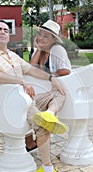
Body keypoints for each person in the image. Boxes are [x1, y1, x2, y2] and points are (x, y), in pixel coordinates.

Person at [0, 19, 67, 172]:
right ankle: (47, 170)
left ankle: (49, 112)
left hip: (27, 100)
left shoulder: (13, 56)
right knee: (44, 126)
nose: (3, 31)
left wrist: (51, 78)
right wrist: (20, 81)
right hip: (12, 105)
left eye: (6, 29)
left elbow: (31, 69)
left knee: (60, 92)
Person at [25, 20, 72, 151]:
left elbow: (66, 70)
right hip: (39, 91)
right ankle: (29, 143)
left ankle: (49, 115)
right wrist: (39, 49)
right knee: (24, 103)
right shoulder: (39, 50)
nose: (41, 37)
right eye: (40, 34)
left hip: (51, 91)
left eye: (46, 36)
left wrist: (50, 76)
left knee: (58, 95)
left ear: (53, 40)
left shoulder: (57, 50)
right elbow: (30, 68)